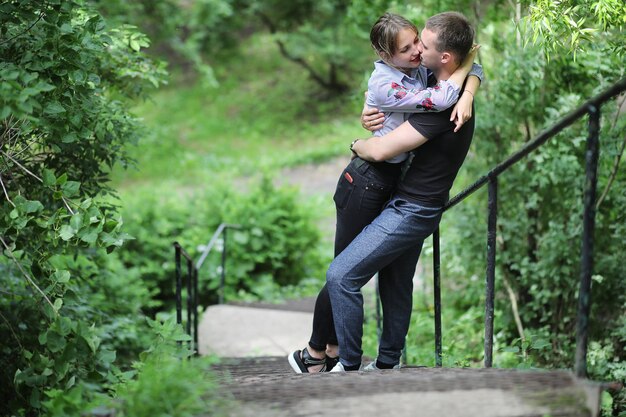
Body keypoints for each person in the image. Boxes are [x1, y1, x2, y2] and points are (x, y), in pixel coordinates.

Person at [288, 12, 483, 373]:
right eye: (410, 45)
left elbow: (379, 151)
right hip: (401, 197)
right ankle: (385, 364)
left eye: (421, 45)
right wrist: (471, 82)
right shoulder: (430, 81)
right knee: (394, 284)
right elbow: (468, 61)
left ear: (444, 58)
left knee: (341, 275)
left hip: (410, 205)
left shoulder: (440, 105)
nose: (416, 50)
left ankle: (344, 365)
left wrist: (357, 142)